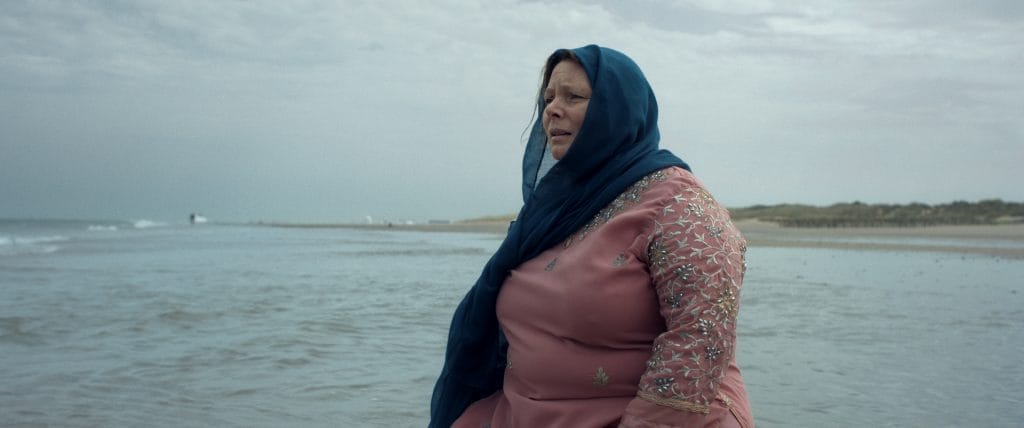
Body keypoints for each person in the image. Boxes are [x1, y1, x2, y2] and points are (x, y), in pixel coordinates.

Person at [430, 45, 753, 428]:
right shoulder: (551, 211)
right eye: (548, 97)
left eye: (574, 96)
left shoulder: (679, 205)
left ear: (616, 110)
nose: (552, 109)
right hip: (524, 410)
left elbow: (701, 335)